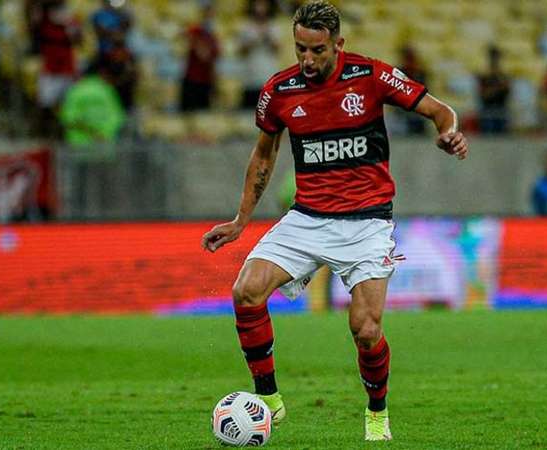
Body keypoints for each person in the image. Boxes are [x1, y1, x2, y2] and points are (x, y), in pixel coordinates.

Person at [201, 0, 468, 442]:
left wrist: (448, 133)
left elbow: (439, 110)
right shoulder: (280, 91)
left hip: (367, 223)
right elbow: (263, 156)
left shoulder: (371, 76)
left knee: (365, 330)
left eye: (317, 51)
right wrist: (240, 220)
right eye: (300, 49)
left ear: (338, 44)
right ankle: (268, 399)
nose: (307, 60)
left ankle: (377, 412)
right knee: (246, 291)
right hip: (308, 218)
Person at [34, 0, 82, 136]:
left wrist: (70, 27)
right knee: (45, 105)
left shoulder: (71, 23)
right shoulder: (44, 24)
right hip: (50, 72)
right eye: (56, 12)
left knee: (69, 106)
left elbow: (79, 41)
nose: (59, 15)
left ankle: (65, 135)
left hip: (68, 71)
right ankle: (44, 134)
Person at [238, 0, 281, 109]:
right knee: (249, 112)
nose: (260, 8)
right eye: (258, 4)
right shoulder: (246, 26)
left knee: (267, 113)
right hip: (250, 76)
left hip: (268, 75)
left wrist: (266, 36)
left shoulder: (273, 26)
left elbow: (277, 48)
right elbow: (241, 51)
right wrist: (253, 40)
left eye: (263, 4)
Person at [180, 3, 221, 112]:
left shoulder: (213, 36)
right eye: (208, 13)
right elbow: (183, 38)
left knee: (203, 116)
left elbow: (213, 56)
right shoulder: (195, 31)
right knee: (189, 114)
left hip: (206, 80)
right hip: (192, 80)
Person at [477, 46, 510, 134]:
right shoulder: (485, 75)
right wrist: (496, 90)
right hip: (488, 110)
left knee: (501, 136)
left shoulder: (502, 75)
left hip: (500, 109)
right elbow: (483, 93)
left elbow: (507, 89)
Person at [397, 45, 428, 135]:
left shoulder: (421, 74)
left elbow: (426, 94)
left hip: (418, 111)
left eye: (411, 58)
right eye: (407, 58)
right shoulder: (397, 73)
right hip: (401, 112)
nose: (409, 61)